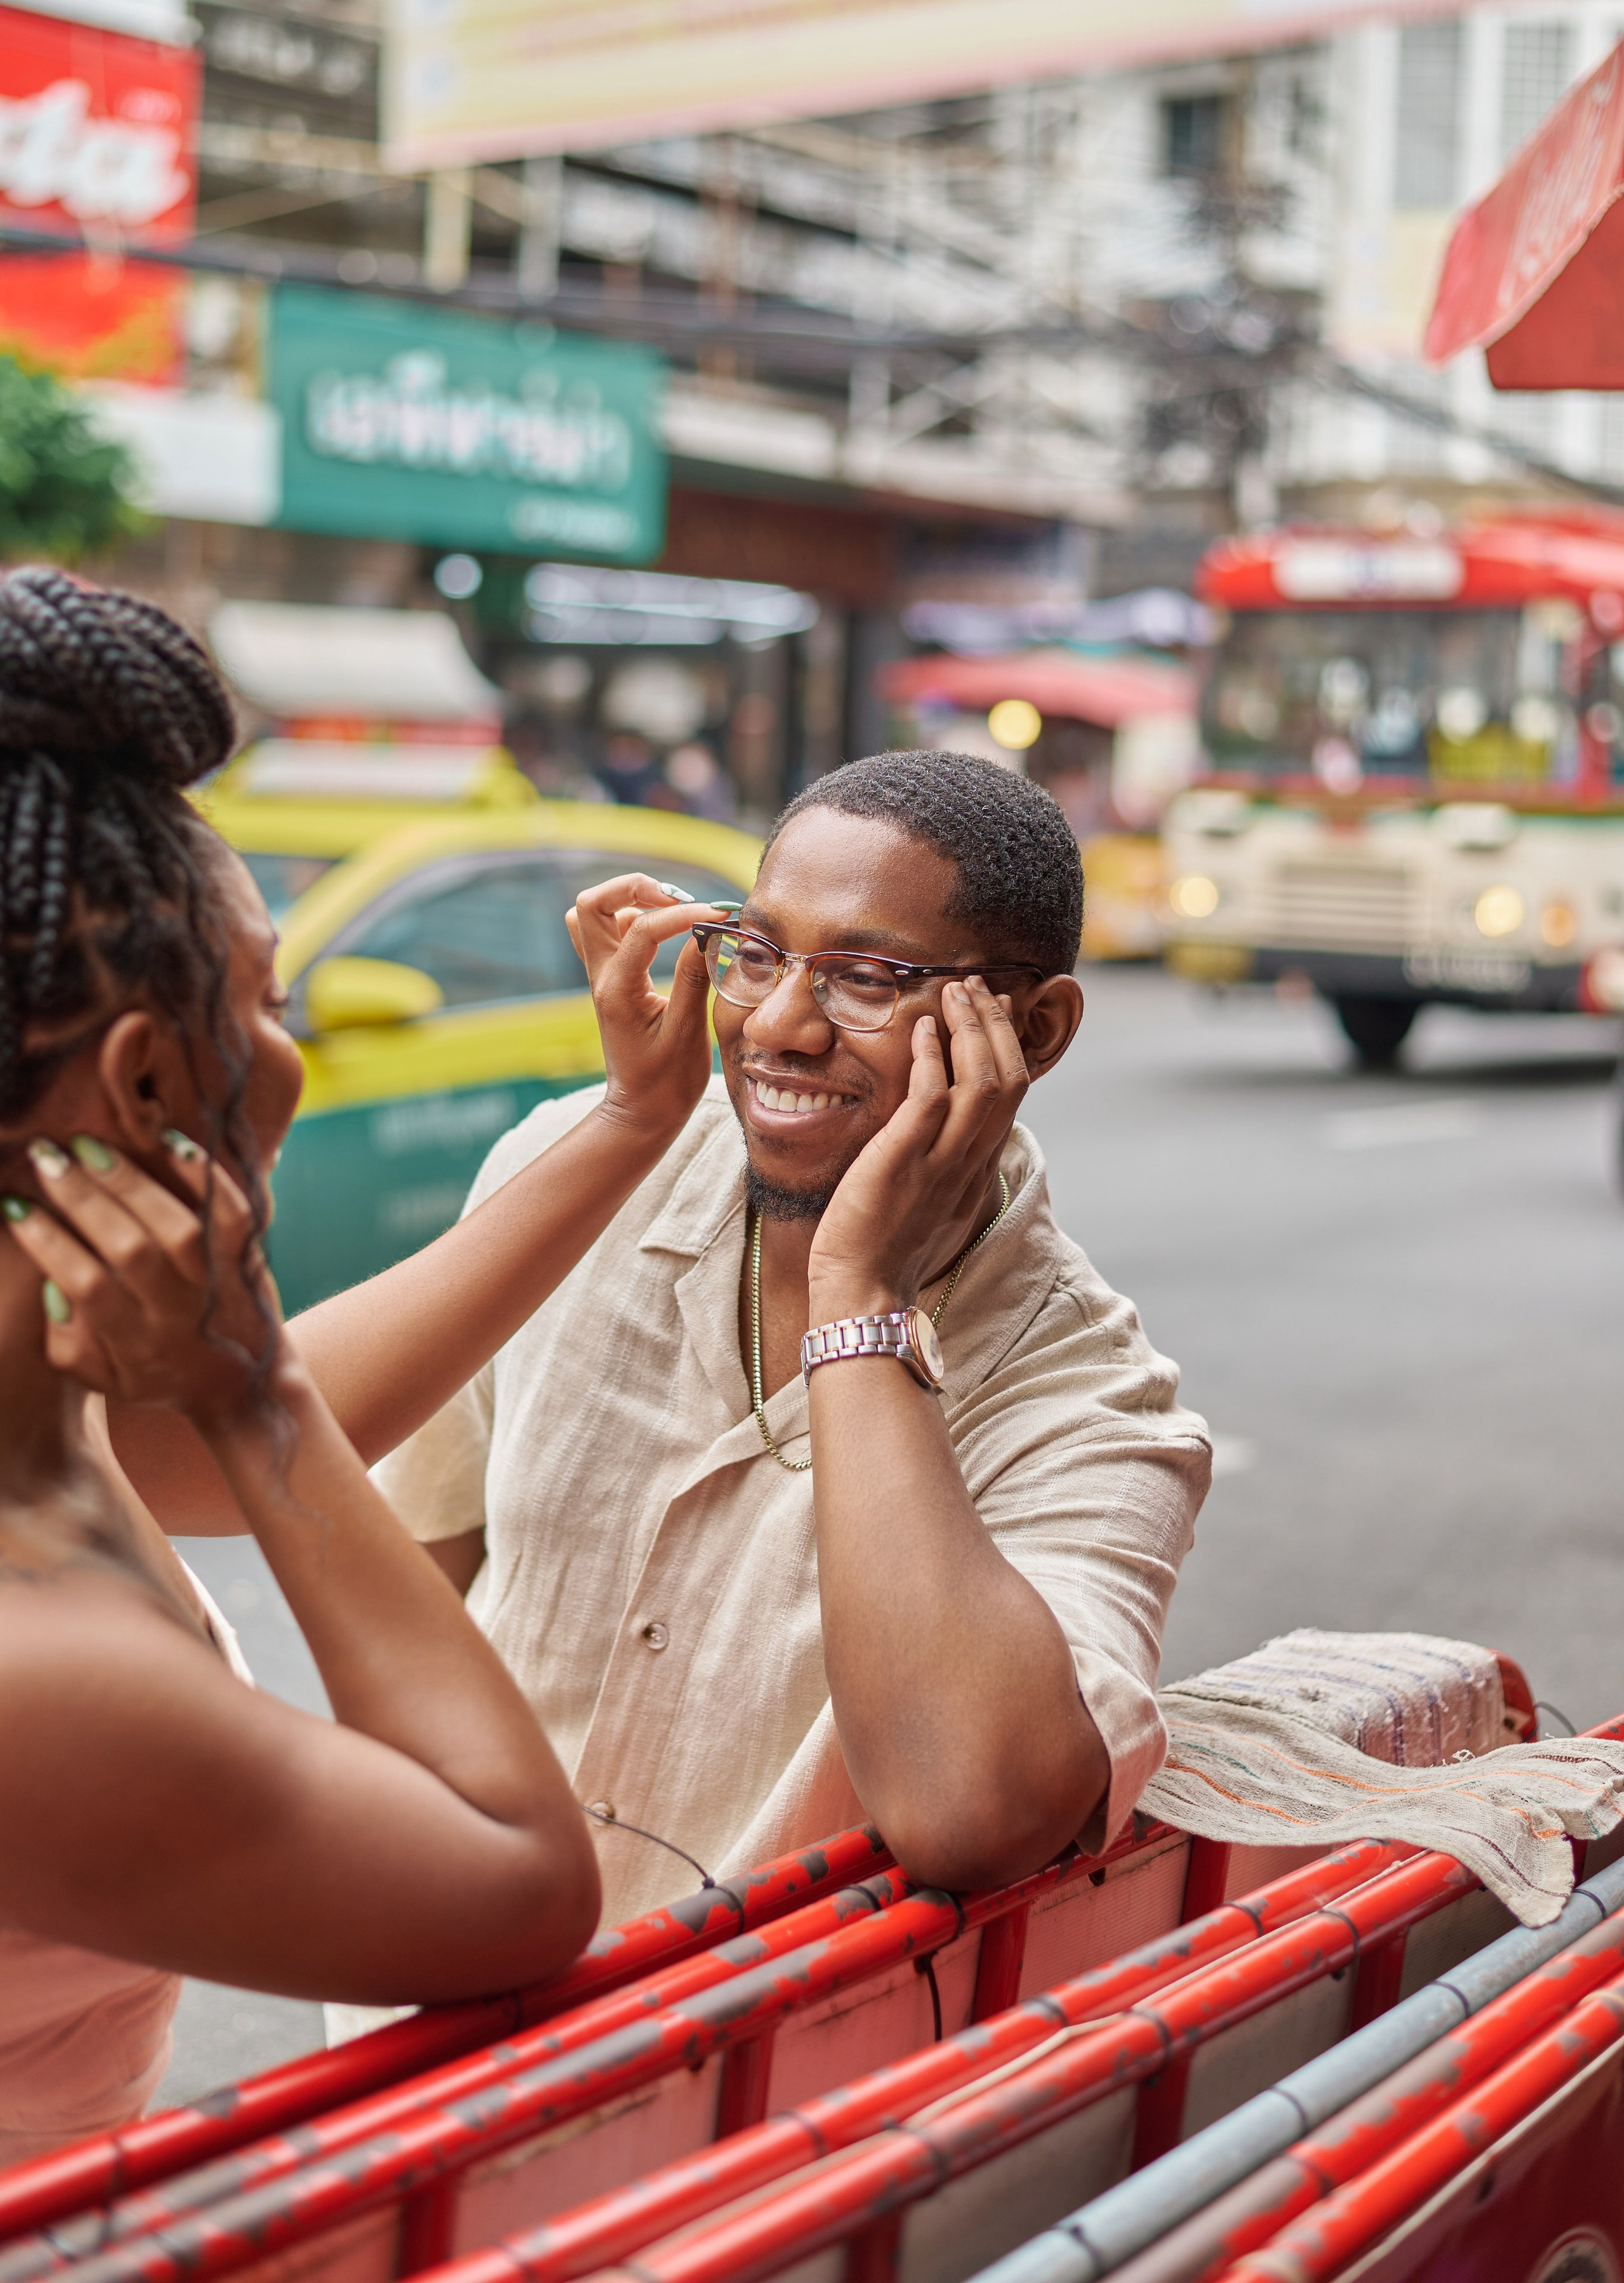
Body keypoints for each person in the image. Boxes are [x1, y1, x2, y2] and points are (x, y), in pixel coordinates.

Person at [0, 567, 726, 2161]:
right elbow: (518, 1883)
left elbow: (186, 1452)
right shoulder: (35, 1678)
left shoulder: (50, 1422)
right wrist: (253, 1395)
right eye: (259, 999)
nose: (291, 1053)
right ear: (139, 1079)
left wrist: (627, 1126)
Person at [365, 751, 1212, 1923]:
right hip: (438, 1995)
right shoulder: (578, 1175)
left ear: (1039, 1026)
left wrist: (862, 1298)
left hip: (740, 2075)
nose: (777, 1025)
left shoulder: (1094, 1410)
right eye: (756, 954)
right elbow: (417, 1565)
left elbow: (974, 1810)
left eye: (866, 977)